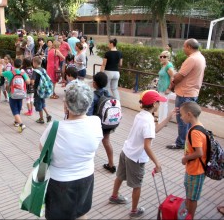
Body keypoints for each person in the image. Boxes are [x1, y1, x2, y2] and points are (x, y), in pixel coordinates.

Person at [40, 81, 103, 220]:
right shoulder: (96, 122)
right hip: (86, 177)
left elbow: (43, 150)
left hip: (60, 182)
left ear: (66, 105)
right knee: (80, 212)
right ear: (89, 103)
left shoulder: (55, 127)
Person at [109, 90, 174, 219]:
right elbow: (147, 146)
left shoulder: (141, 115)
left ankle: (114, 196)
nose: (160, 104)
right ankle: (134, 211)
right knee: (137, 185)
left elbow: (153, 131)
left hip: (126, 151)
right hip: (136, 158)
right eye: (159, 102)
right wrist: (157, 163)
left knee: (120, 176)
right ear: (154, 104)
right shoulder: (148, 120)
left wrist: (168, 119)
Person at [167, 38, 206, 150]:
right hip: (193, 93)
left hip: (185, 93)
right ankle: (188, 140)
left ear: (189, 47)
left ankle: (181, 143)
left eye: (184, 46)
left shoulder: (192, 59)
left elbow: (180, 76)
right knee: (190, 119)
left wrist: (172, 85)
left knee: (183, 119)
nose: (183, 49)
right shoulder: (201, 57)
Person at [180, 102, 207, 219]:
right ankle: (188, 214)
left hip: (196, 171)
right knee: (190, 195)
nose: (181, 117)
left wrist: (185, 158)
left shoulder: (195, 132)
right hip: (192, 169)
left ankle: (190, 217)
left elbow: (199, 152)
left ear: (189, 114)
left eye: (182, 115)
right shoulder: (199, 126)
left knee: (192, 198)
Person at [87, 72, 116, 173]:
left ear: (94, 83)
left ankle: (86, 164)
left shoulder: (93, 96)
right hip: (107, 123)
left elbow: (89, 114)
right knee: (107, 142)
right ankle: (111, 164)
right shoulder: (108, 94)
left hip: (96, 124)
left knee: (90, 143)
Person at [0, 58, 30, 133]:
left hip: (12, 94)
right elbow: (28, 82)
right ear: (21, 65)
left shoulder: (10, 73)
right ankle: (16, 122)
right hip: (21, 93)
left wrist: (0, 66)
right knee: (18, 108)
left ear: (13, 64)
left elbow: (0, 73)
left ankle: (21, 124)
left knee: (14, 110)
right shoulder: (23, 73)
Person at [31, 56, 52, 124]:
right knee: (42, 103)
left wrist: (30, 82)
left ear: (35, 63)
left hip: (38, 90)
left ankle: (41, 118)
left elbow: (32, 82)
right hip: (43, 90)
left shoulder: (35, 71)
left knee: (38, 104)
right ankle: (47, 114)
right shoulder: (43, 69)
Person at [157, 51, 175, 124]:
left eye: (164, 57)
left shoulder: (169, 66)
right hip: (161, 88)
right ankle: (161, 119)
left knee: (164, 105)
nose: (162, 58)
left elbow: (173, 77)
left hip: (165, 89)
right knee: (162, 104)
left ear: (168, 58)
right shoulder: (164, 65)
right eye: (161, 56)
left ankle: (162, 122)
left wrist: (169, 88)